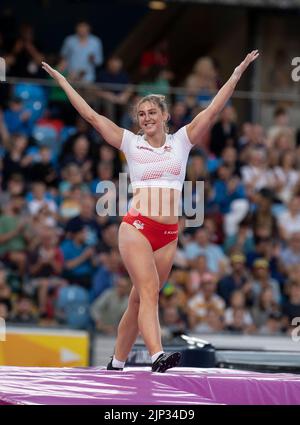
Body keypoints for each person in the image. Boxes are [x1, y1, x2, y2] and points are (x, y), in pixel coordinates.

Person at [41, 49, 259, 373]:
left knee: (137, 301)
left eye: (151, 112)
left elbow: (213, 110)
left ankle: (116, 363)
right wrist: (63, 80)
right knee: (148, 294)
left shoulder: (182, 142)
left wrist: (237, 73)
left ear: (165, 115)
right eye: (141, 114)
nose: (146, 118)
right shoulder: (130, 142)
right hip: (137, 228)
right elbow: (90, 115)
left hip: (168, 236)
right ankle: (158, 356)